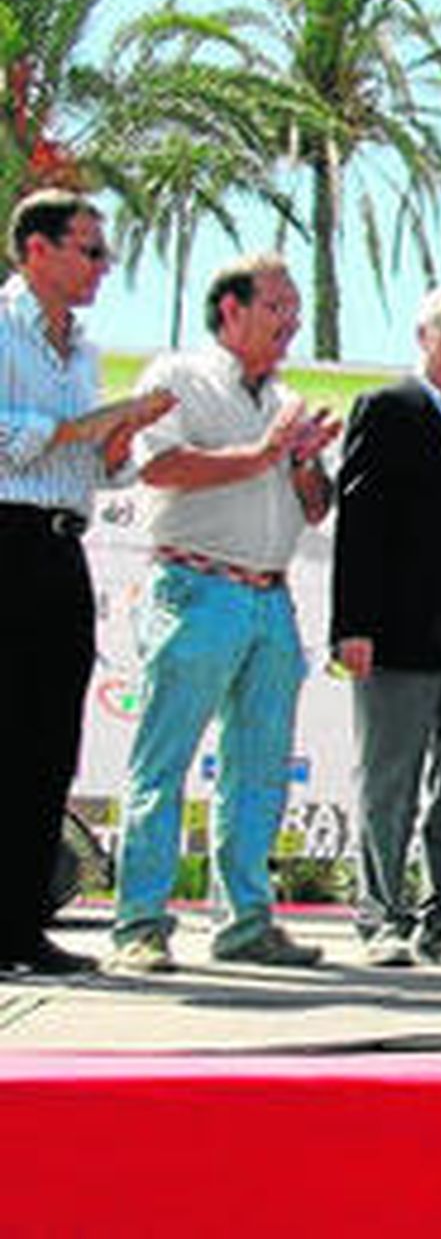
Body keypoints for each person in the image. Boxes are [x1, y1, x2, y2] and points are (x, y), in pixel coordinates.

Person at [110, 253, 340, 973]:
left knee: (259, 768)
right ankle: (141, 921)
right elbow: (156, 467)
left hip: (271, 596)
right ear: (231, 309)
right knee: (164, 760)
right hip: (194, 586)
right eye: (276, 306)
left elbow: (316, 507)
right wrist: (261, 452)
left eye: (295, 308)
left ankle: (245, 918)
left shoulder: (287, 397)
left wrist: (302, 460)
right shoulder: (175, 378)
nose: (290, 321)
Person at [0, 188, 173, 976]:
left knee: (46, 744)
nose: (104, 265)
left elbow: (100, 474)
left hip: (64, 546)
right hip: (6, 535)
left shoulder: (87, 349)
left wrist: (123, 429)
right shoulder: (4, 326)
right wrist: (85, 424)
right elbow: (11, 442)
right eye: (89, 248)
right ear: (37, 249)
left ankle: (20, 922)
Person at [331, 288, 441, 968]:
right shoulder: (387, 408)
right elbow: (360, 521)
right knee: (389, 779)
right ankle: (381, 917)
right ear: (423, 334)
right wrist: (353, 624)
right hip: (396, 629)